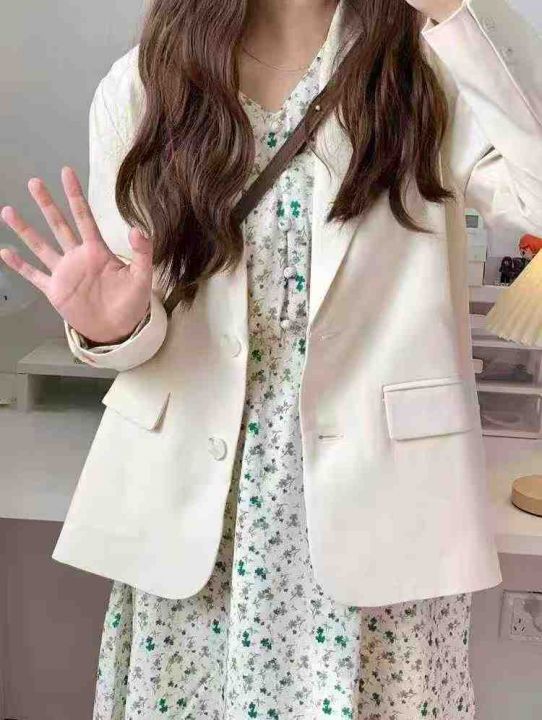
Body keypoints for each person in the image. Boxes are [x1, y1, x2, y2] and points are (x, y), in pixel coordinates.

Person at [2, 0, 541, 717]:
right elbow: (140, 321)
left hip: (383, 511)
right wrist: (111, 328)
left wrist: (453, 10)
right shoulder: (145, 84)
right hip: (197, 523)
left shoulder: (428, 66)